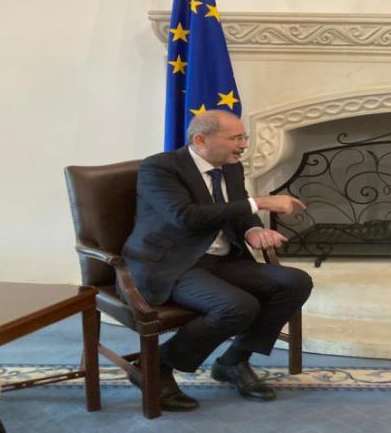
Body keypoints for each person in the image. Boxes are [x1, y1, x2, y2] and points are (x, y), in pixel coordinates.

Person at [122, 110, 313, 411]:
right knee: (238, 307)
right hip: (174, 262)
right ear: (201, 140)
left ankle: (234, 361)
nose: (244, 145)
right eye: (236, 138)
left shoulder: (231, 167)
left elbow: (238, 210)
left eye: (244, 137)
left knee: (295, 282)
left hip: (222, 258)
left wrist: (252, 230)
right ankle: (154, 366)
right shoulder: (160, 168)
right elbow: (186, 217)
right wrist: (261, 202)